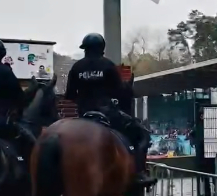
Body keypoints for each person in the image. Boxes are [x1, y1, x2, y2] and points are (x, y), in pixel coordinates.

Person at [65, 33, 155, 188]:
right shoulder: (108, 65)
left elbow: (70, 95)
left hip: (84, 115)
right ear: (102, 48)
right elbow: (120, 92)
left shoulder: (76, 67)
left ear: (85, 49)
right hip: (107, 113)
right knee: (142, 134)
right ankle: (139, 173)